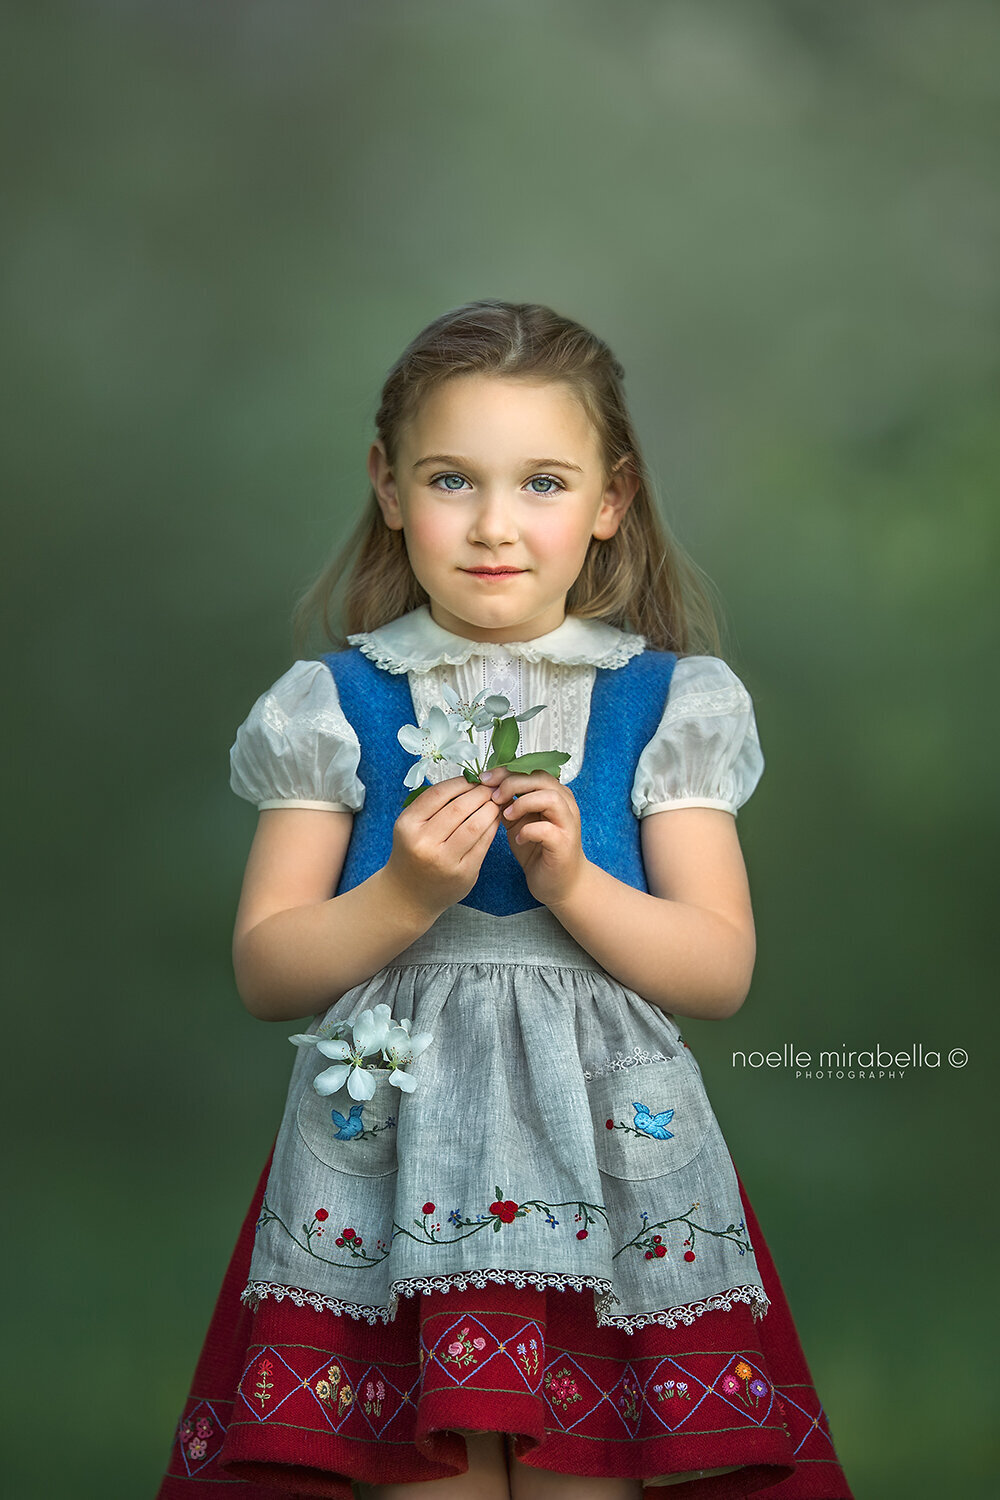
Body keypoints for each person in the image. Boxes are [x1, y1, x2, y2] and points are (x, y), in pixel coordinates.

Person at [156, 300, 853, 1499]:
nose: (493, 525)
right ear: (387, 486)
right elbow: (270, 969)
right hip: (392, 1169)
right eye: (449, 479)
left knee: (594, 1469)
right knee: (425, 1473)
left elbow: (717, 971)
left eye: (541, 482)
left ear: (609, 500)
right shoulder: (332, 702)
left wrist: (576, 881)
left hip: (609, 1172)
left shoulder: (667, 703)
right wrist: (404, 891)